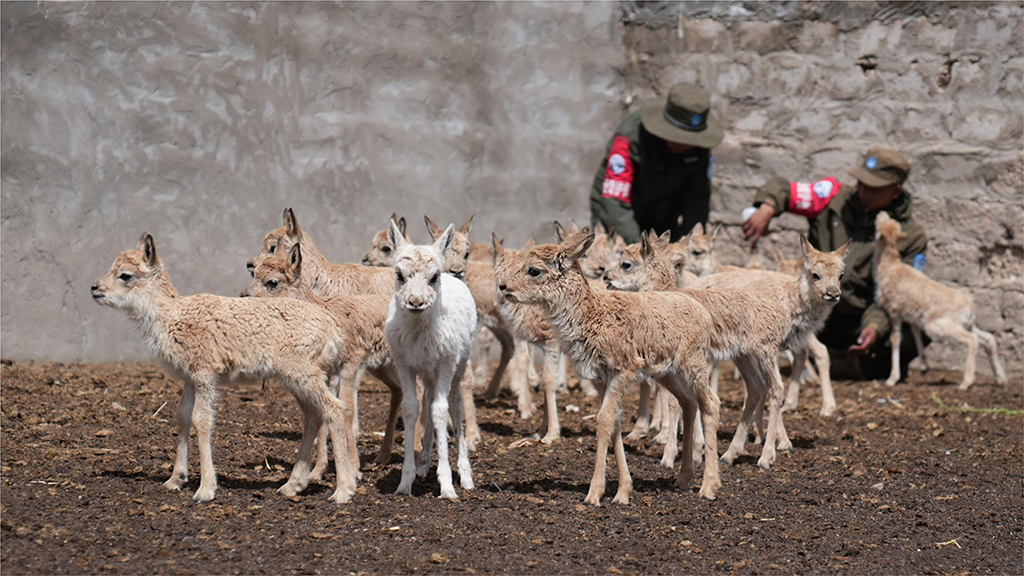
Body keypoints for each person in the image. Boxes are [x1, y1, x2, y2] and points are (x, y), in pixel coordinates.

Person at [742, 147, 929, 379]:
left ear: (895, 191)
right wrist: (767, 208)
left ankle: (854, 363)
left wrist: (874, 326)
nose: (863, 191)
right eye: (861, 183)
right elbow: (784, 189)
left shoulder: (908, 236)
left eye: (873, 188)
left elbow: (898, 292)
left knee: (912, 334)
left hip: (858, 314)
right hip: (816, 306)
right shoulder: (832, 199)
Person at [590, 82, 724, 245]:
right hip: (618, 214)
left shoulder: (699, 149)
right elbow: (614, 202)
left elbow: (698, 200)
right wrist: (638, 247)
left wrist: (689, 245)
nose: (684, 145)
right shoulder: (630, 137)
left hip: (663, 215)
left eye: (689, 140)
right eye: (678, 138)